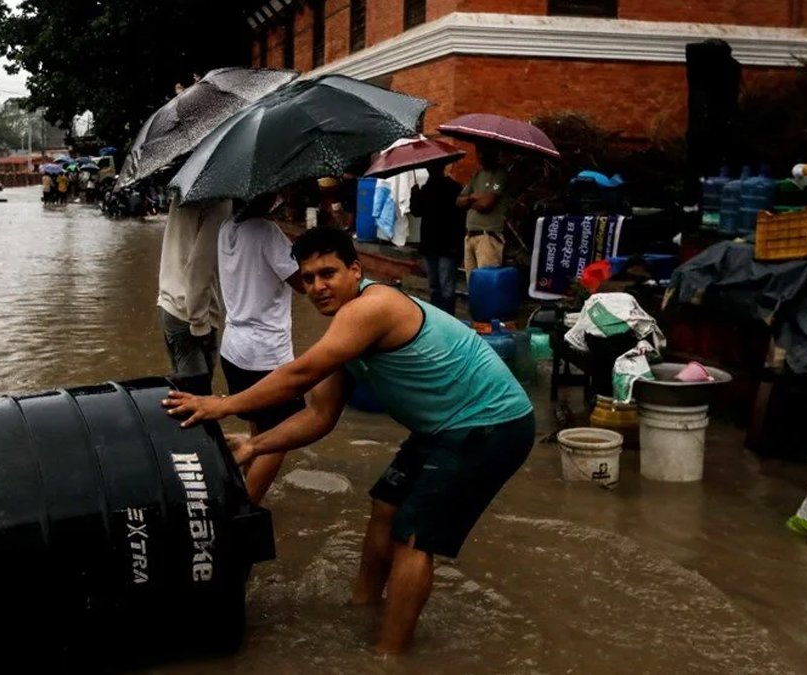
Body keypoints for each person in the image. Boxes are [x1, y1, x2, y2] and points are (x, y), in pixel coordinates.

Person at [164, 226, 534, 654]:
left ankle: (388, 656)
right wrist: (254, 446)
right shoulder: (347, 329)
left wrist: (222, 405)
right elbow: (320, 416)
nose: (318, 287)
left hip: (490, 424)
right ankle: (363, 607)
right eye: (308, 278)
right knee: (385, 507)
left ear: (355, 270)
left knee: (414, 536)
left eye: (329, 273)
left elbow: (297, 375)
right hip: (443, 427)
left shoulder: (371, 307)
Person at [217, 192, 305, 504]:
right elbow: (304, 282)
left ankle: (242, 486)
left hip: (233, 349)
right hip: (266, 353)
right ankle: (243, 511)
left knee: (260, 432)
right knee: (280, 437)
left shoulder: (227, 228)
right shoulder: (268, 233)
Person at [157, 198, 233, 397]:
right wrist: (200, 325)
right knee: (199, 398)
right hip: (191, 311)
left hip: (169, 303)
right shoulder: (220, 203)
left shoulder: (182, 195)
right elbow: (200, 267)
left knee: (184, 395)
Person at [410, 166, 465, 315]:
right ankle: (440, 318)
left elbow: (461, 217)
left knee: (442, 286)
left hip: (446, 245)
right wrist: (415, 195)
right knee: (438, 286)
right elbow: (416, 210)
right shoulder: (427, 189)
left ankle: (446, 319)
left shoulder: (453, 188)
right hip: (435, 245)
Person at [456, 142, 514, 275]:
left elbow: (485, 205)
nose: (481, 155)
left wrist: (470, 201)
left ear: (494, 153)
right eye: (478, 151)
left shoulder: (500, 173)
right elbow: (459, 202)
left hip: (488, 236)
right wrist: (473, 197)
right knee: (472, 283)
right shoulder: (477, 174)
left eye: (485, 151)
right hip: (470, 235)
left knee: (487, 283)